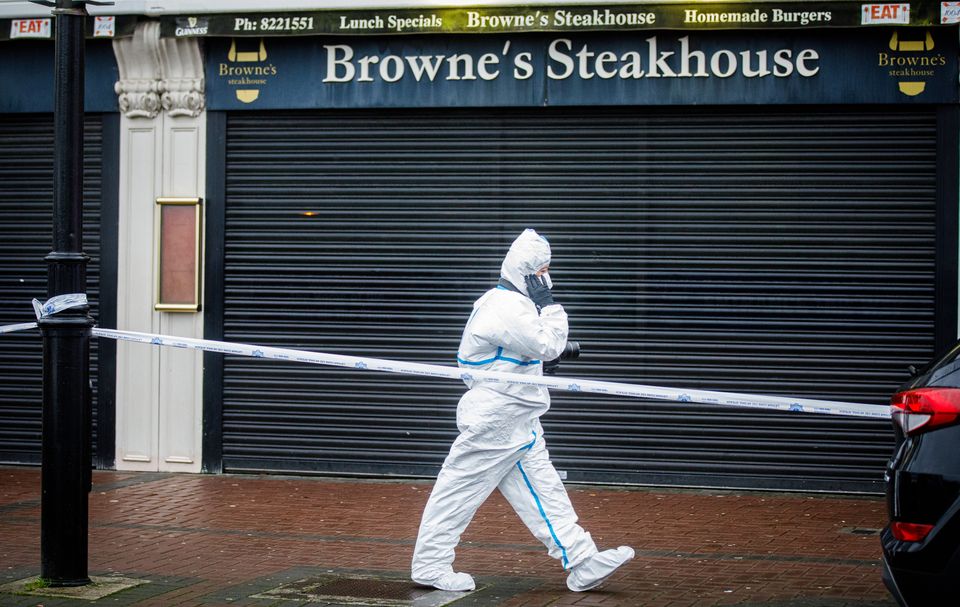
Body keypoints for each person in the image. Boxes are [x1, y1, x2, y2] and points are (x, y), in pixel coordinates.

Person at [411, 228, 634, 593]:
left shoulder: (513, 305)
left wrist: (535, 367)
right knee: (458, 491)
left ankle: (581, 560)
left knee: (544, 491)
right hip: (496, 420)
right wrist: (551, 306)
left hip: (519, 417)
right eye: (542, 270)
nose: (548, 276)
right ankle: (430, 565)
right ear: (527, 272)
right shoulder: (505, 307)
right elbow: (548, 343)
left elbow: (512, 356)